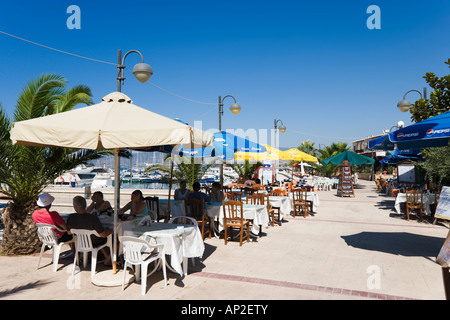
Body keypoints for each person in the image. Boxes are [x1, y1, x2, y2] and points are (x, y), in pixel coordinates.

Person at [66, 196, 113, 265]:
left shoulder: (71, 217)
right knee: (112, 238)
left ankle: (104, 256)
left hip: (80, 242)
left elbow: (69, 232)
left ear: (75, 207)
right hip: (95, 241)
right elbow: (103, 235)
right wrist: (112, 231)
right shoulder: (92, 218)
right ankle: (108, 257)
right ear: (85, 206)